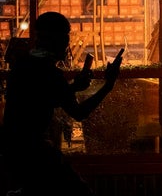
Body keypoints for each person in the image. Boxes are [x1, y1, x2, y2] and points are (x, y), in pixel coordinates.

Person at [1, 11, 123, 196]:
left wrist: (73, 88)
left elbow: (38, 97)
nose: (67, 44)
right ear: (54, 40)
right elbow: (79, 112)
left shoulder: (23, 65)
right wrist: (108, 85)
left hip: (14, 148)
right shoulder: (50, 73)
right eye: (65, 38)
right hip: (34, 151)